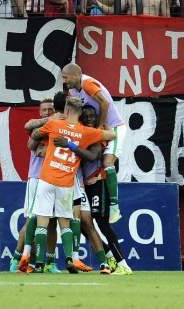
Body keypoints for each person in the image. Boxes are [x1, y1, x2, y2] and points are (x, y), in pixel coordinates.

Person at [29, 97, 116, 273]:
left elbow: (33, 135)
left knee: (43, 221)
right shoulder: (85, 132)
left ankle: (39, 262)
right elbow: (112, 135)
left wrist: (48, 126)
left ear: (66, 111)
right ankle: (70, 258)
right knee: (66, 222)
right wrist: (102, 128)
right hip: (66, 182)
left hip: (47, 179)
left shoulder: (54, 125)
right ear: (80, 113)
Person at [56, 105, 133, 275]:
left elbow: (93, 155)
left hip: (99, 184)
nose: (90, 118)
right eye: (87, 116)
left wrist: (70, 145)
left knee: (102, 223)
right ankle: (109, 256)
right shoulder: (82, 133)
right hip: (86, 186)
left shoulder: (97, 134)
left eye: (93, 115)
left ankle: (123, 264)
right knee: (83, 223)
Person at [62, 63, 125, 224]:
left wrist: (99, 127)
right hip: (100, 129)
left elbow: (104, 103)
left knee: (108, 162)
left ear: (76, 75)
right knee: (96, 158)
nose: (64, 80)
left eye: (65, 77)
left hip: (114, 127)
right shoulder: (72, 91)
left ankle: (114, 206)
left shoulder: (87, 83)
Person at [10, 98, 60, 274]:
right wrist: (47, 123)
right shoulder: (37, 127)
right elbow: (32, 144)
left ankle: (50, 262)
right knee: (31, 220)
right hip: (37, 178)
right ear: (40, 112)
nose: (47, 112)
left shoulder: (61, 127)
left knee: (52, 222)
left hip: (56, 178)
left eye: (50, 109)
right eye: (44, 109)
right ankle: (17, 258)